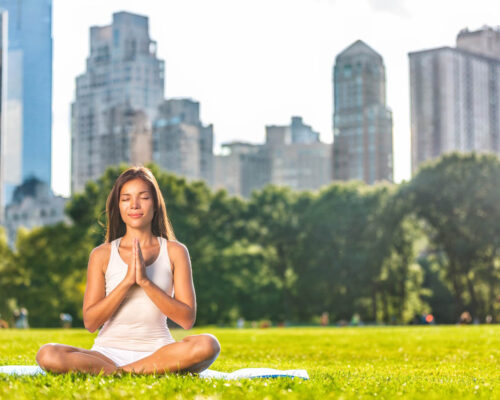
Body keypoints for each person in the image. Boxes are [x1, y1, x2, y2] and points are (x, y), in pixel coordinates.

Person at [36, 166, 220, 375]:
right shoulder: (101, 254)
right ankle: (132, 371)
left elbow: (186, 319)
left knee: (208, 345)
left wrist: (145, 282)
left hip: (159, 352)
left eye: (143, 197)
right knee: (47, 354)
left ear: (156, 205)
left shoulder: (175, 251)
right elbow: (90, 322)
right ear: (119, 206)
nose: (134, 205)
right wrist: (127, 282)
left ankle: (121, 373)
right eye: (126, 199)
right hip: (106, 354)